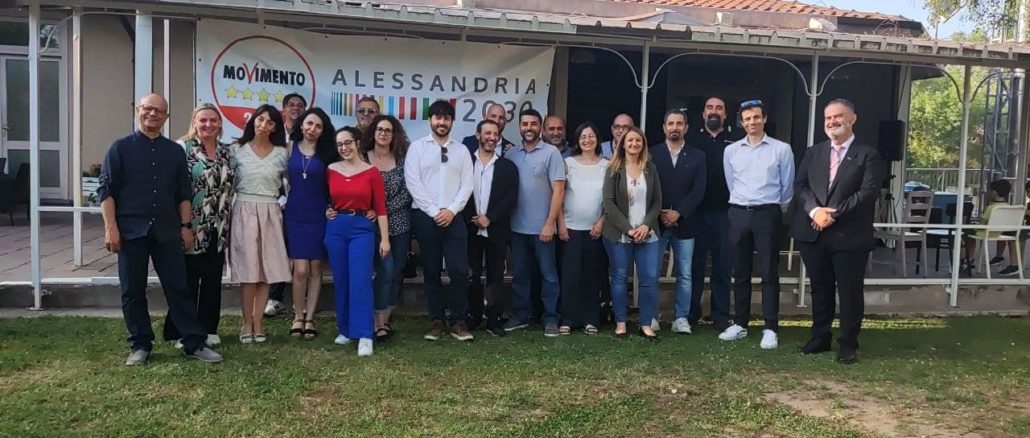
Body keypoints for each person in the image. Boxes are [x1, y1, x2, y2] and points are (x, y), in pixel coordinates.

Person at [99, 93, 223, 365]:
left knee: (178, 288)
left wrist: (186, 226)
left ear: (166, 117)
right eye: (148, 109)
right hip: (131, 231)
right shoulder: (120, 148)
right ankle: (140, 345)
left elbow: (183, 193)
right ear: (138, 111)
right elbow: (106, 191)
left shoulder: (174, 151)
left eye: (159, 111)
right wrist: (111, 228)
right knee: (132, 290)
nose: (153, 114)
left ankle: (193, 342)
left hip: (167, 231)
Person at [792, 99, 882, 364]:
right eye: (828, 118)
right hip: (814, 232)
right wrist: (814, 211)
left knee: (849, 291)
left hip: (849, 235)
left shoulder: (867, 155)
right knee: (820, 289)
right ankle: (820, 337)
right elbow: (800, 186)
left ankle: (848, 343)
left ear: (852, 119)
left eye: (838, 116)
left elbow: (868, 192)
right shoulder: (814, 152)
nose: (832, 122)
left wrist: (833, 214)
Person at [719, 99, 794, 349]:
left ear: (764, 119)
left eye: (756, 117)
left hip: (767, 213)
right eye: (748, 119)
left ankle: (770, 327)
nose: (752, 122)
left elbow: (787, 188)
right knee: (740, 271)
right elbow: (731, 183)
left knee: (769, 272)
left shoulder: (781, 149)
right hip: (739, 212)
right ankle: (740, 323)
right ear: (741, 123)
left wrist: (773, 209)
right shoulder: (731, 151)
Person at [161, 104, 235, 349]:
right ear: (194, 122)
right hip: (190, 224)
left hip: (218, 225)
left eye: (213, 120)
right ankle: (183, 330)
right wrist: (182, 225)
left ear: (220, 124)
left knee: (212, 280)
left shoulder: (226, 152)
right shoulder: (182, 148)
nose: (208, 125)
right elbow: (174, 188)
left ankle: (209, 328)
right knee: (188, 280)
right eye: (203, 120)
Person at [404, 100, 475, 342]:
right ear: (430, 120)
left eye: (446, 118)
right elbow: (413, 183)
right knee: (431, 270)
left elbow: (467, 184)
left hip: (454, 217)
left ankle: (459, 320)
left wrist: (452, 210)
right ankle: (436, 320)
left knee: (459, 270)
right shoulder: (417, 148)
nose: (442, 122)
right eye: (437, 117)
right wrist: (435, 211)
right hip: (426, 216)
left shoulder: (461, 151)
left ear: (452, 122)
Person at [228, 104, 291, 344]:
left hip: (271, 211)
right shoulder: (237, 149)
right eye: (260, 119)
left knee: (266, 270)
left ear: (276, 127)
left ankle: (258, 321)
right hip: (244, 209)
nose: (264, 125)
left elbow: (292, 183)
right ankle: (246, 322)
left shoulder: (282, 153)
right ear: (253, 120)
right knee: (249, 271)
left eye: (270, 122)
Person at [325, 126, 390, 357]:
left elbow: (380, 208)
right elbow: (324, 198)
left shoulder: (372, 172)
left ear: (357, 143)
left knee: (361, 280)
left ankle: (364, 334)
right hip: (336, 228)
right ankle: (345, 329)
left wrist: (385, 239)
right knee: (341, 279)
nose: (344, 148)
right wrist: (326, 210)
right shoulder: (331, 170)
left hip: (362, 228)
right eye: (340, 144)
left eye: (348, 142)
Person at [504, 108, 566, 337]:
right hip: (516, 228)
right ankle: (520, 316)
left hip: (543, 228)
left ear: (540, 127)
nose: (528, 128)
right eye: (524, 124)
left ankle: (550, 318)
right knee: (520, 274)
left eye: (533, 124)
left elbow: (559, 190)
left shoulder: (551, 153)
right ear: (519, 127)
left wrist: (550, 223)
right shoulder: (511, 154)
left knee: (548, 275)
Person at [685, 96, 743, 332]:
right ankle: (691, 313)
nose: (714, 111)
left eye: (719, 108)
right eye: (709, 107)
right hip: (696, 213)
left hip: (725, 213)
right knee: (694, 265)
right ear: (703, 113)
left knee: (722, 266)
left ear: (725, 114)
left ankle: (720, 315)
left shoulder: (737, 139)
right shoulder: (691, 139)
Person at [602, 127, 663, 340]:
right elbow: (608, 203)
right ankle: (621, 322)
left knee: (649, 278)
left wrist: (646, 225)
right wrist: (628, 229)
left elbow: (657, 201)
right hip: (620, 234)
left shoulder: (650, 168)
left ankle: (646, 323)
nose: (634, 144)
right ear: (623, 144)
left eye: (638, 140)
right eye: (630, 140)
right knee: (619, 277)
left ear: (643, 144)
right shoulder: (613, 168)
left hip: (647, 233)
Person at [651, 109, 706, 334]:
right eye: (671, 123)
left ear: (686, 128)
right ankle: (651, 315)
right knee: (652, 272)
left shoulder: (697, 156)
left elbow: (699, 190)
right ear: (664, 127)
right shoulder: (652, 153)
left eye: (679, 123)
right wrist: (661, 213)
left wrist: (679, 213)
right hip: (656, 222)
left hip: (686, 223)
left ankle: (681, 318)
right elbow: (649, 186)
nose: (675, 127)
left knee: (684, 274)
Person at [283, 108, 336, 340]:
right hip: (295, 214)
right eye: (309, 124)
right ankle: (298, 315)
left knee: (315, 268)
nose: (312, 129)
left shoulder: (328, 153)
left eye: (318, 126)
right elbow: (279, 178)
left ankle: (310, 318)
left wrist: (332, 206)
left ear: (323, 130)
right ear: (301, 125)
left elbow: (335, 185)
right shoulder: (289, 148)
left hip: (319, 215)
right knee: (300, 269)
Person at [463, 119, 519, 336]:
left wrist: (490, 218)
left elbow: (511, 197)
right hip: (470, 229)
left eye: (495, 134)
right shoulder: (466, 163)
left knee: (496, 275)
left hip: (496, 229)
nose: (492, 138)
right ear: (478, 135)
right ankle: (474, 315)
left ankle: (494, 320)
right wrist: (473, 218)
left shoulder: (508, 167)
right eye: (487, 133)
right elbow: (460, 192)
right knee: (473, 275)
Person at [363, 115, 413, 341]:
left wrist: (382, 210)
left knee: (395, 270)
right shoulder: (362, 158)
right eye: (380, 129)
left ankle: (385, 315)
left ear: (394, 135)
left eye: (388, 130)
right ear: (373, 132)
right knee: (379, 271)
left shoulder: (402, 159)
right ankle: (375, 318)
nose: (383, 134)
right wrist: (373, 211)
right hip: (369, 224)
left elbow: (408, 191)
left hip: (399, 224)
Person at [557, 122, 608, 335]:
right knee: (569, 276)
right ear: (577, 141)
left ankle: (590, 319)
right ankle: (568, 319)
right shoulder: (567, 163)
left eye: (591, 136)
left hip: (594, 229)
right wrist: (560, 223)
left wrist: (602, 221)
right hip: (569, 228)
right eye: (583, 137)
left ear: (597, 139)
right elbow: (558, 195)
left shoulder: (607, 165)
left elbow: (612, 199)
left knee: (591, 275)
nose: (587, 140)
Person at [266, 92, 308, 317]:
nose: (295, 108)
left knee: (300, 251)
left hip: (302, 201)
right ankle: (274, 297)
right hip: (275, 200)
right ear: (283, 109)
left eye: (300, 105)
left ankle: (301, 299)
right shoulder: (273, 133)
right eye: (291, 105)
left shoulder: (308, 135)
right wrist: (279, 198)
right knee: (278, 249)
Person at [961, 179, 1018, 276]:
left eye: (989, 190)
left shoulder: (991, 208)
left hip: (986, 233)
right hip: (1000, 233)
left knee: (967, 233)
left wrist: (974, 225)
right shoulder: (1008, 207)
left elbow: (981, 225)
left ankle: (969, 259)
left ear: (994, 192)